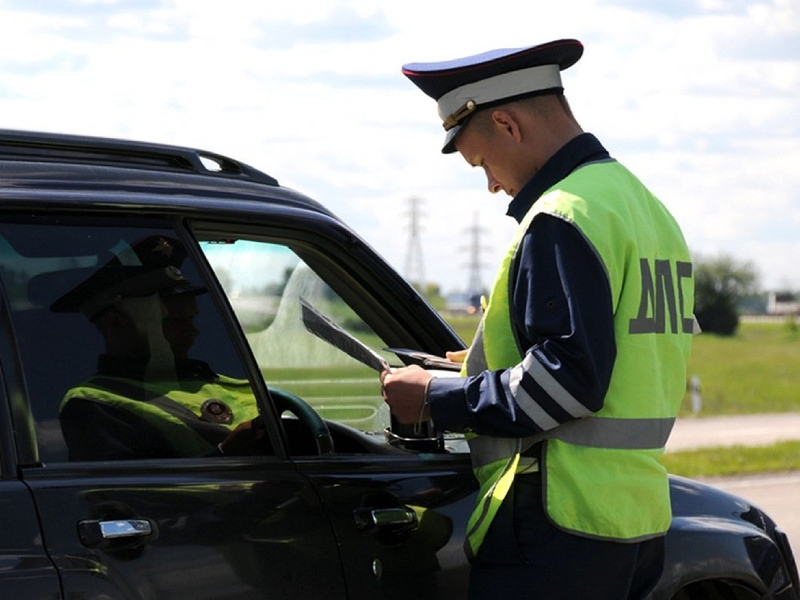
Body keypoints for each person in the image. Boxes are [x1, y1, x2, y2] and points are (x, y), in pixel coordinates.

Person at [381, 39, 696, 599]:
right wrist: (475, 366)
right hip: (634, 520)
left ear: (506, 123)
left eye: (482, 163)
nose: (492, 184)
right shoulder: (643, 207)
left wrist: (436, 397)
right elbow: (616, 358)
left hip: (559, 523)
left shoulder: (562, 215)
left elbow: (566, 384)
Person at [53, 235, 264, 460]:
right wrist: (225, 454)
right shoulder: (94, 402)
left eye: (192, 318)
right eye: (172, 320)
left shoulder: (219, 379)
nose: (193, 331)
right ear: (116, 322)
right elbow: (131, 492)